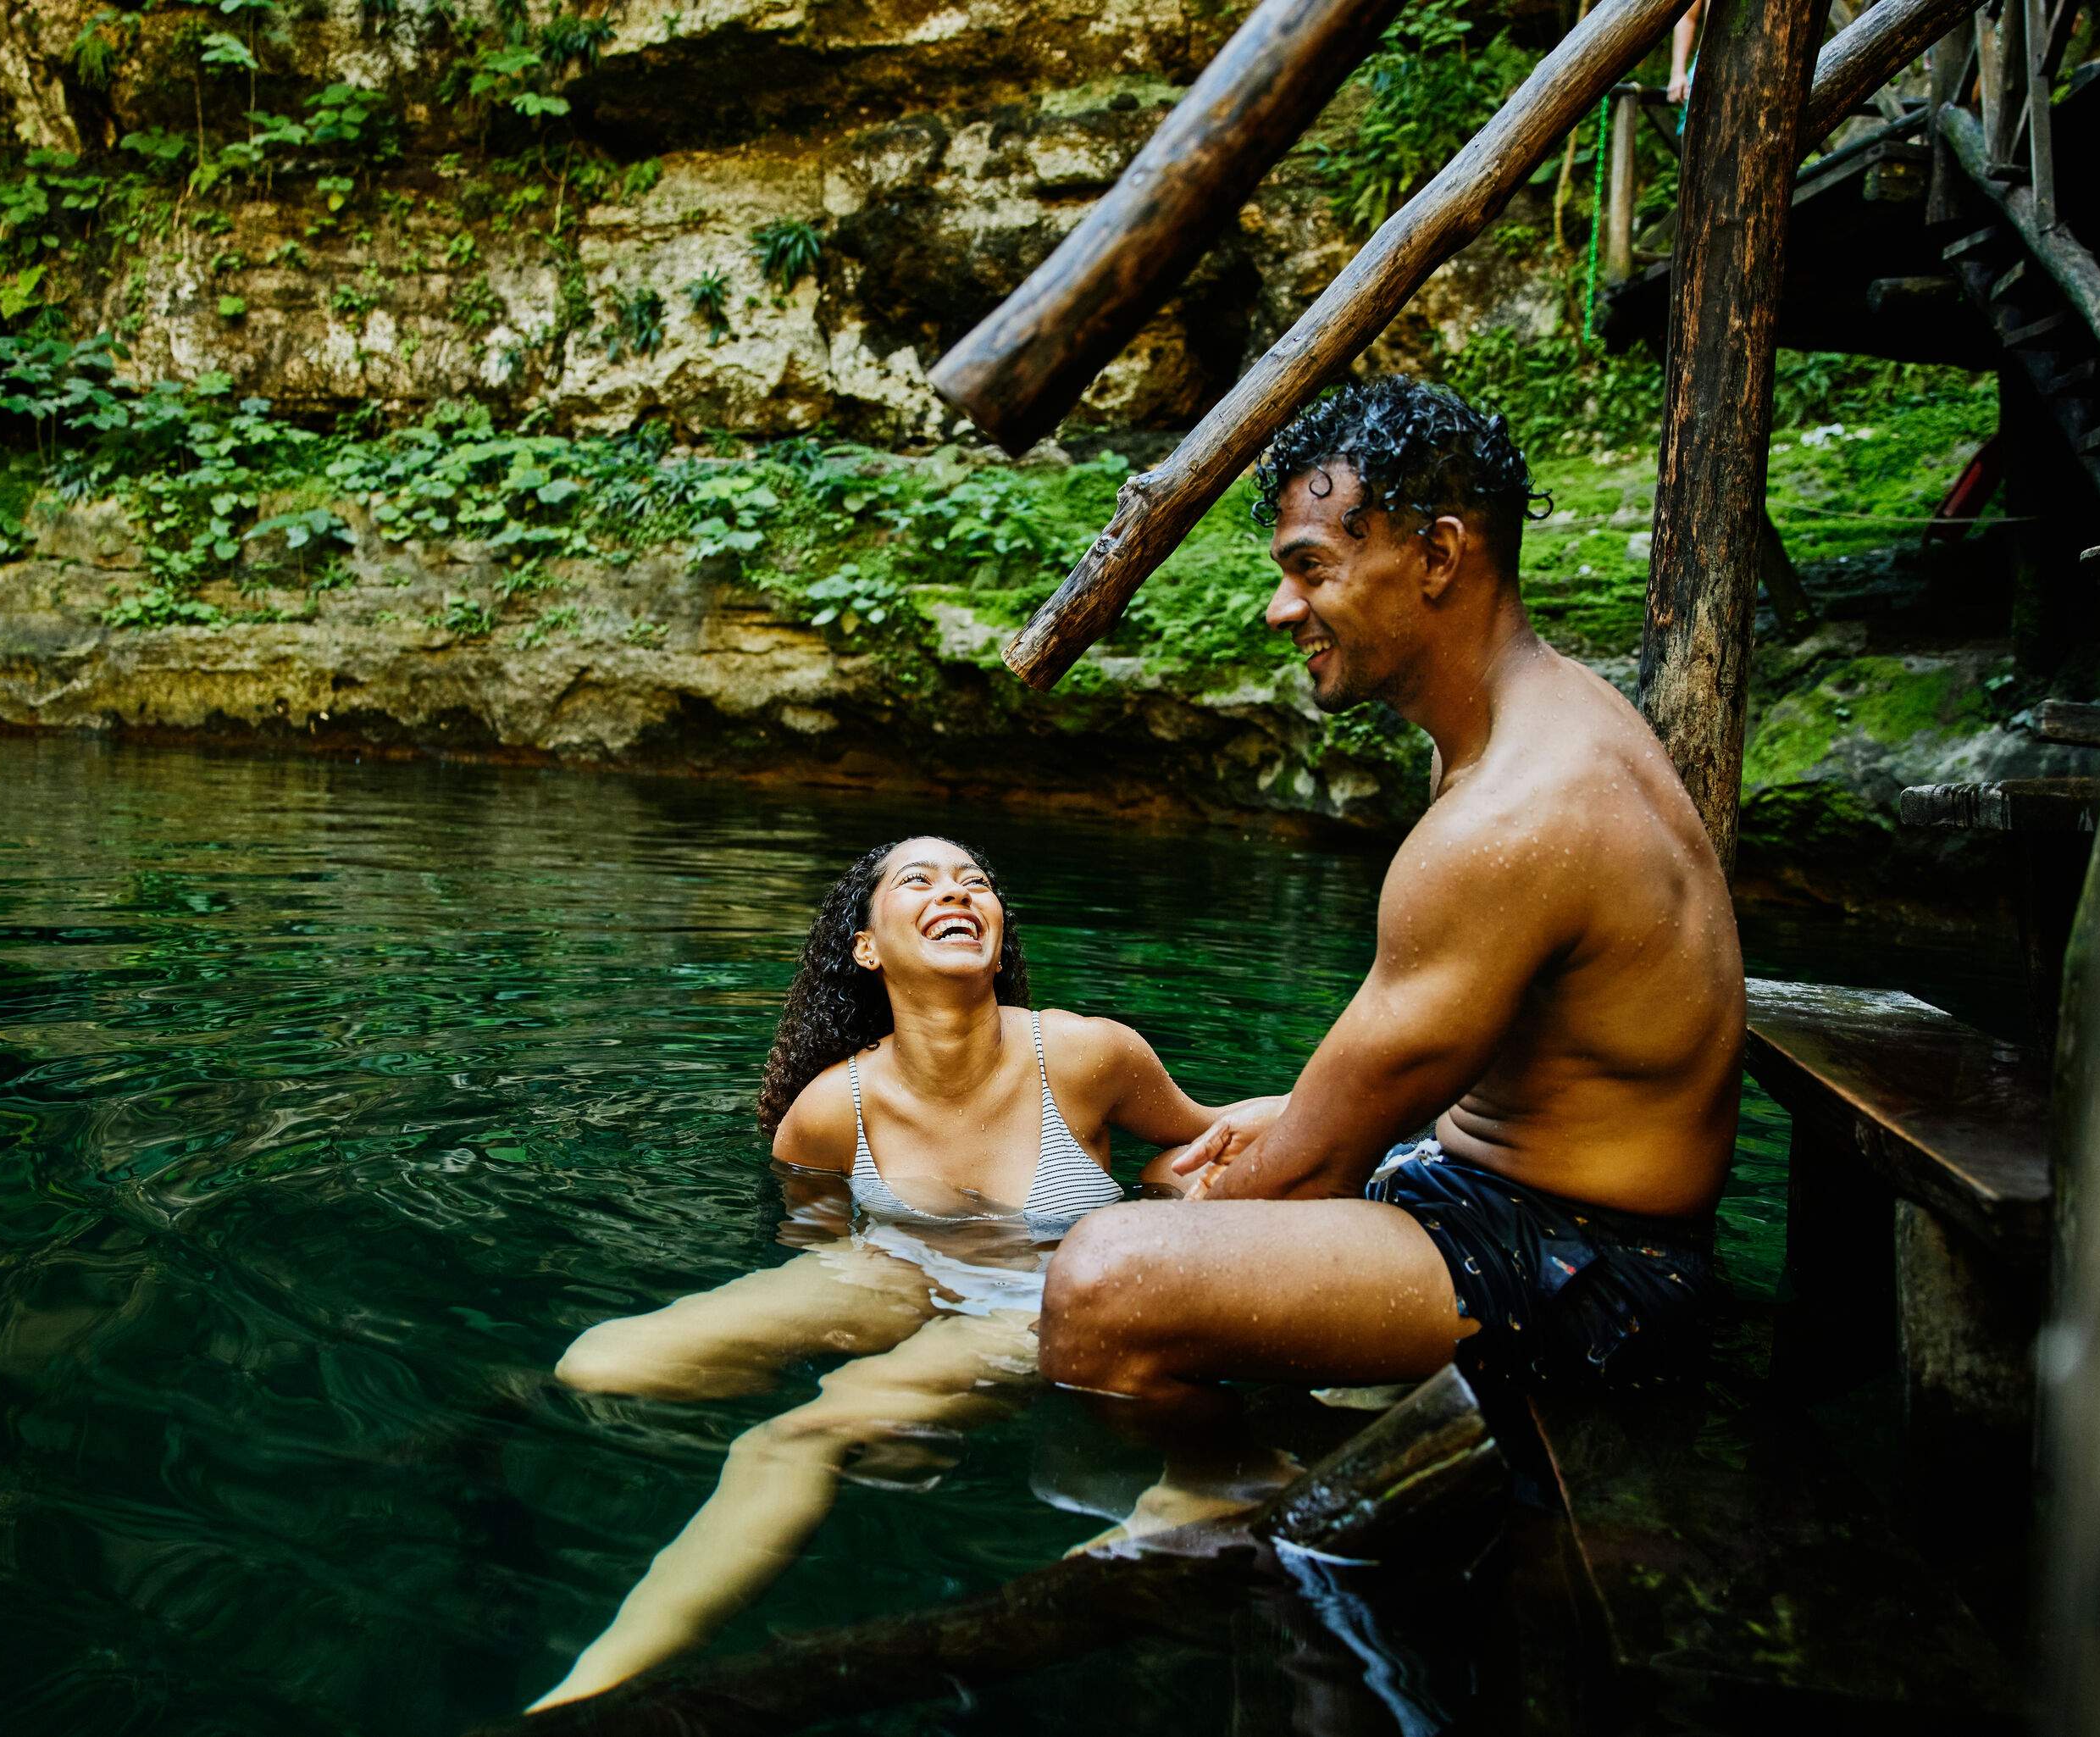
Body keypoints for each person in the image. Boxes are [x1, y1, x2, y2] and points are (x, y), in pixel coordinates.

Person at [1036, 376, 1745, 1481]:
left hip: (1599, 1272)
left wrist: (1217, 1197)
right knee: (1211, 1154)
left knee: (1102, 1284)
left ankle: (1255, 1532)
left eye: (1311, 567)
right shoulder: (1526, 721)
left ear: (1439, 556)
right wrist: (1252, 1149)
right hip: (1510, 1194)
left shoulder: (1517, 811)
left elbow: (1316, 1163)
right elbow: (1432, 1078)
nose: (1282, 609)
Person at [530, 835, 1230, 1708]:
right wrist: (860, 1344)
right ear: (865, 947)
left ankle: (588, 1698)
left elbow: (1208, 1133)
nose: (959, 891)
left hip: (1045, 1295)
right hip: (898, 1274)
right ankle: (886, 1407)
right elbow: (812, 1242)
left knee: (795, 1438)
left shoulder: (1085, 1055)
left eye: (978, 880)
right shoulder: (828, 1111)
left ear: (999, 933)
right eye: (921, 879)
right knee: (598, 1361)